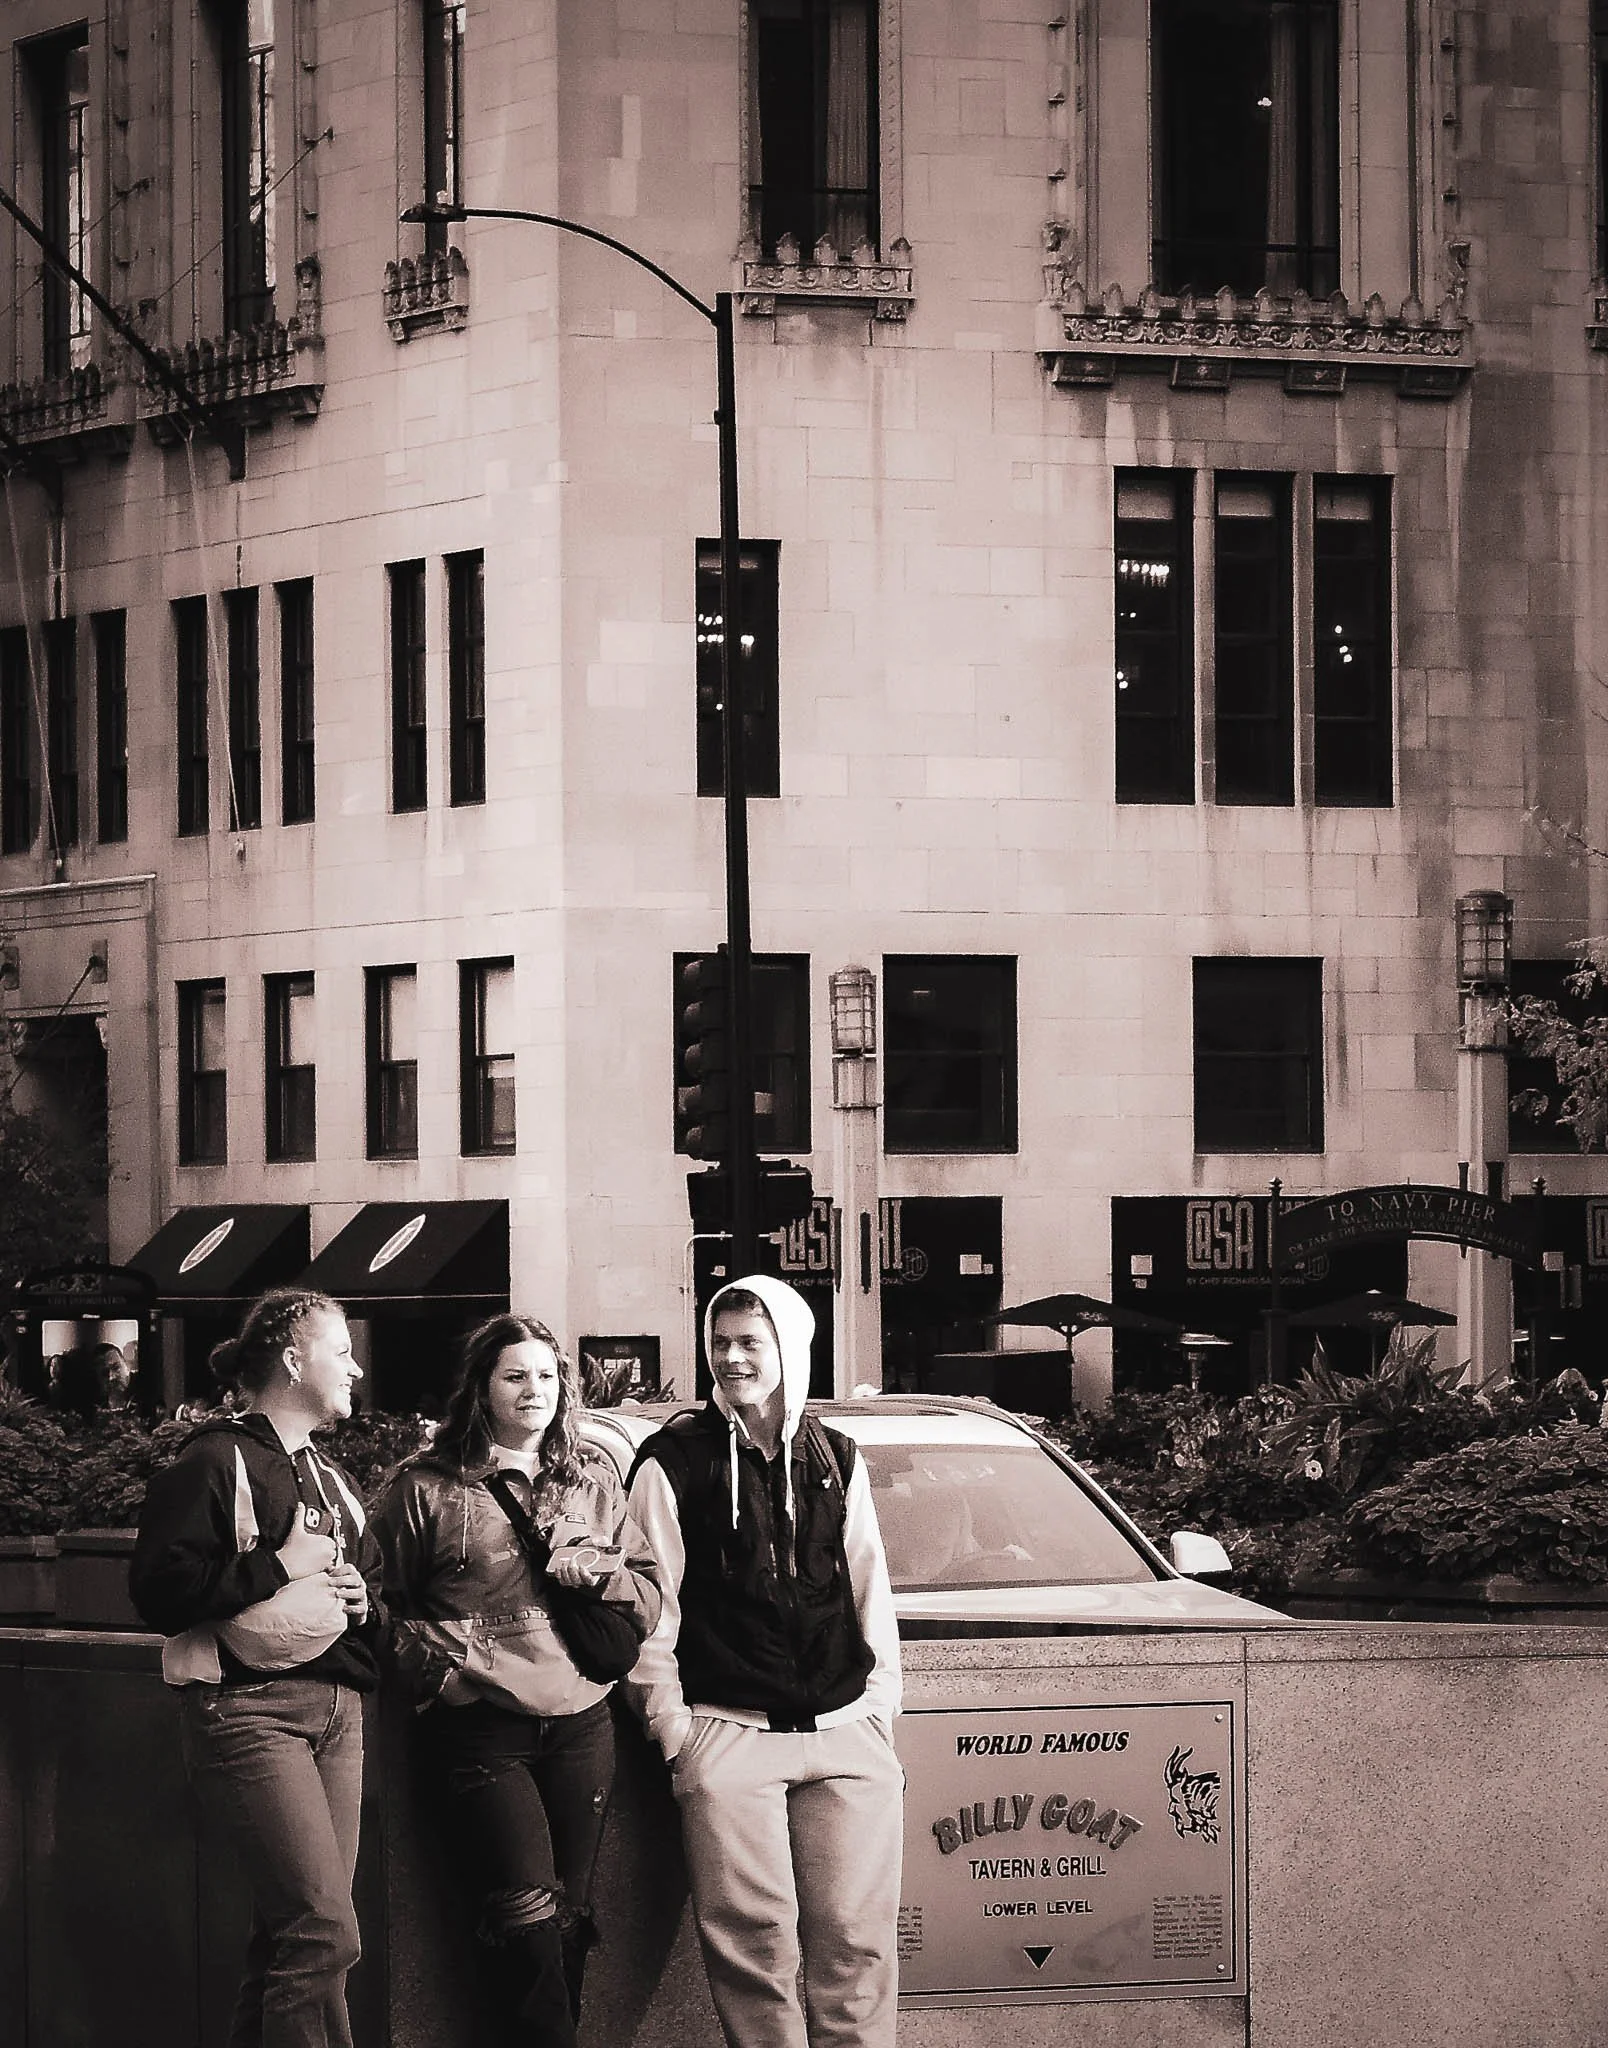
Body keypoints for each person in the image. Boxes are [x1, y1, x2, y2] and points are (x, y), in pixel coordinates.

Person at [625, 1273, 904, 2048]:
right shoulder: (672, 1460)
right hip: (727, 1730)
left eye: (751, 1342)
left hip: (846, 1729)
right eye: (720, 1342)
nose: (732, 1358)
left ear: (791, 1347)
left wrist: (880, 1707)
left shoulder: (834, 1455)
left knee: (858, 1939)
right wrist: (672, 1726)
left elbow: (868, 1587)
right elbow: (652, 1603)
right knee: (754, 1949)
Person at [373, 1313, 661, 2047]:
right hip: (479, 1730)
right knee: (526, 1915)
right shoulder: (423, 1488)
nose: (533, 1389)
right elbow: (375, 1602)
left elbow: (652, 1595)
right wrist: (441, 1676)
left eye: (545, 1375)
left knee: (568, 1916)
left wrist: (600, 1576)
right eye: (514, 1375)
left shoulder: (592, 1478)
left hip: (582, 1723)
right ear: (482, 1387)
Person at [128, 1287, 381, 2048]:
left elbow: (377, 1599)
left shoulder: (335, 1479)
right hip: (248, 1713)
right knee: (323, 1933)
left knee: (290, 1939)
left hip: (338, 1714)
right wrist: (278, 1563)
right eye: (341, 1351)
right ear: (295, 1357)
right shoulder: (211, 1459)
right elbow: (158, 1591)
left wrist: (362, 1598)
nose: (356, 1369)